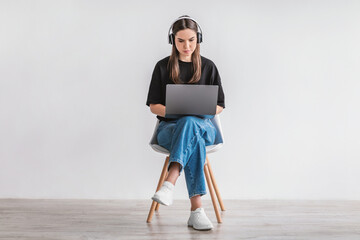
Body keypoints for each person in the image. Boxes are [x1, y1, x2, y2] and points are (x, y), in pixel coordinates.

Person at [146, 15, 225, 231]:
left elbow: (219, 106)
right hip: (168, 129)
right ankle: (196, 211)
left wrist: (197, 111)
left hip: (206, 128)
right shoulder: (162, 67)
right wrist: (178, 111)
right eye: (180, 41)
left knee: (191, 123)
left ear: (198, 38)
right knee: (192, 133)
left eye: (191, 40)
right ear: (173, 40)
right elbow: (154, 106)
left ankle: (170, 182)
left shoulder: (209, 67)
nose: (186, 46)